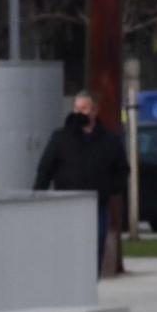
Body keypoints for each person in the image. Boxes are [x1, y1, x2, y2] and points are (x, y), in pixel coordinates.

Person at [34, 90, 130, 272]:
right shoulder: (60, 138)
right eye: (77, 108)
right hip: (67, 205)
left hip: (96, 205)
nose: (80, 113)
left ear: (95, 111)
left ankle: (91, 285)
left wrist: (108, 189)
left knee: (95, 248)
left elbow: (122, 171)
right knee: (67, 251)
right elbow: (45, 168)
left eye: (84, 108)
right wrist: (38, 195)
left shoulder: (110, 140)